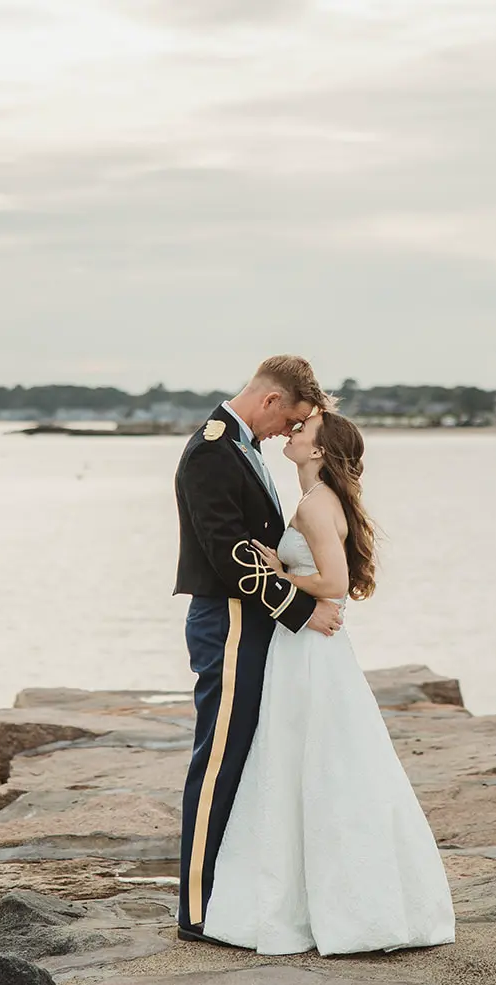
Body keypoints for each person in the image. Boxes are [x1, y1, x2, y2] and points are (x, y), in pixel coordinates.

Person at [201, 408, 456, 955]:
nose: (292, 435)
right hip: (312, 650)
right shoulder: (321, 502)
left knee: (306, 763)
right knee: (319, 763)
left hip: (309, 651)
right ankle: (340, 902)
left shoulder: (317, 505)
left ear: (319, 451)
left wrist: (277, 574)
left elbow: (333, 584)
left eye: (302, 432)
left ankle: (317, 908)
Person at [172, 355, 344, 944]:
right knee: (218, 761)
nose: (285, 433)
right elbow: (227, 554)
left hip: (253, 620)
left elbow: (258, 546)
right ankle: (195, 910)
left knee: (245, 759)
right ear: (270, 401)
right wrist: (303, 609)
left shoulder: (241, 447)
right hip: (231, 621)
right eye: (288, 420)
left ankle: (234, 896)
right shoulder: (212, 451)